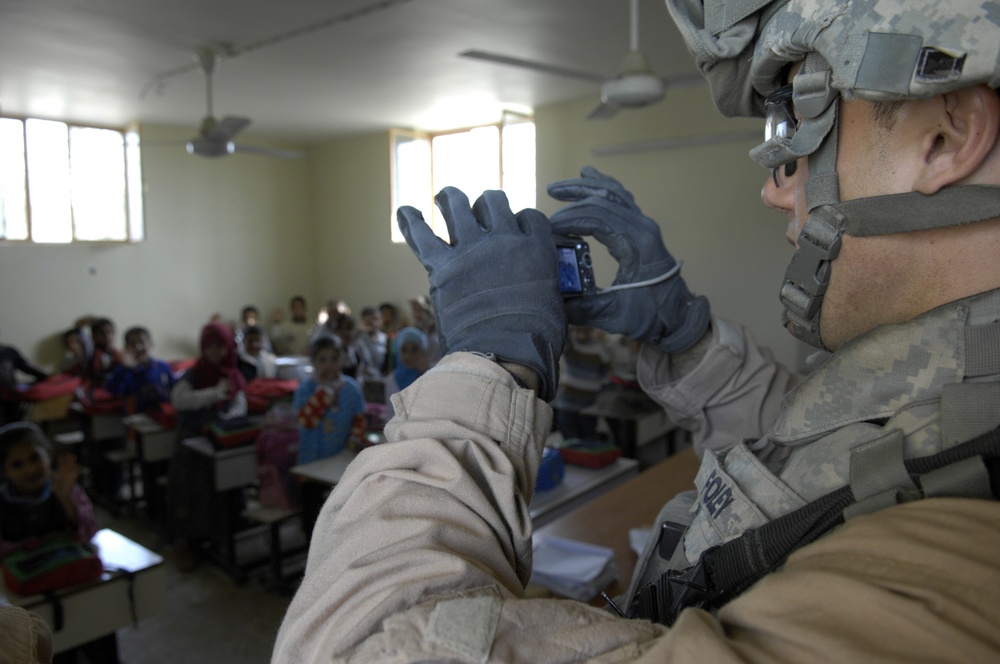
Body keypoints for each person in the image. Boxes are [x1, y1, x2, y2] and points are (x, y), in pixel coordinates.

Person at [273, 1, 1000, 661]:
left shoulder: (952, 571)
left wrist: (486, 368)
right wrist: (687, 341)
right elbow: (820, 469)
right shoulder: (961, 401)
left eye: (802, 119)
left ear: (947, 133)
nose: (777, 184)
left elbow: (362, 644)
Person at [168, 321, 247, 571]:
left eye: (220, 347)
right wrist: (213, 394)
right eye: (209, 346)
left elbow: (239, 402)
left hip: (219, 439)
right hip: (191, 443)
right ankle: (186, 542)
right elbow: (179, 400)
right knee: (191, 491)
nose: (215, 352)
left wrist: (226, 419)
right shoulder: (194, 373)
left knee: (225, 486)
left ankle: (221, 536)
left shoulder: (232, 372)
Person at [0, 422, 98, 560]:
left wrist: (66, 498)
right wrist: (36, 546)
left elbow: (89, 533)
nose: (31, 469)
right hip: (23, 576)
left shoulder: (67, 489)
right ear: (4, 471)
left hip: (68, 569)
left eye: (35, 458)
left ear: (48, 454)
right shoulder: (3, 501)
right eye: (17, 465)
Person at [293, 335, 365, 465]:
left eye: (334, 359)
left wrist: (352, 444)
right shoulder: (305, 389)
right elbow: (306, 422)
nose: (329, 366)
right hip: (310, 460)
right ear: (313, 361)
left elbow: (359, 421)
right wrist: (323, 395)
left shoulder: (352, 389)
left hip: (340, 460)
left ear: (342, 359)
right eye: (322, 360)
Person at [551, 325, 611, 441]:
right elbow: (561, 334)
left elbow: (606, 374)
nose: (581, 335)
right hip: (568, 404)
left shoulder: (600, 348)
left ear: (591, 331)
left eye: (585, 331)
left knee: (587, 442)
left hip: (589, 406)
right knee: (571, 443)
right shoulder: (571, 344)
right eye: (578, 331)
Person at [104, 326, 176, 415]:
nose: (138, 347)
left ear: (150, 344)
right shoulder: (124, 369)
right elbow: (113, 390)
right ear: (126, 347)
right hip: (136, 418)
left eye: (141, 342)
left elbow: (174, 388)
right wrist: (125, 368)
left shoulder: (162, 366)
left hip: (162, 416)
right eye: (132, 344)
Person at [0, 331, 49, 425]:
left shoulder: (9, 352)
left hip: (11, 395)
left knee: (14, 422)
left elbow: (26, 368)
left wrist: (46, 377)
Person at [382, 326, 428, 418]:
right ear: (399, 352)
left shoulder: (432, 377)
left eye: (414, 349)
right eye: (404, 350)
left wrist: (423, 374)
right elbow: (392, 416)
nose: (409, 355)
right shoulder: (392, 380)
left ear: (422, 351)